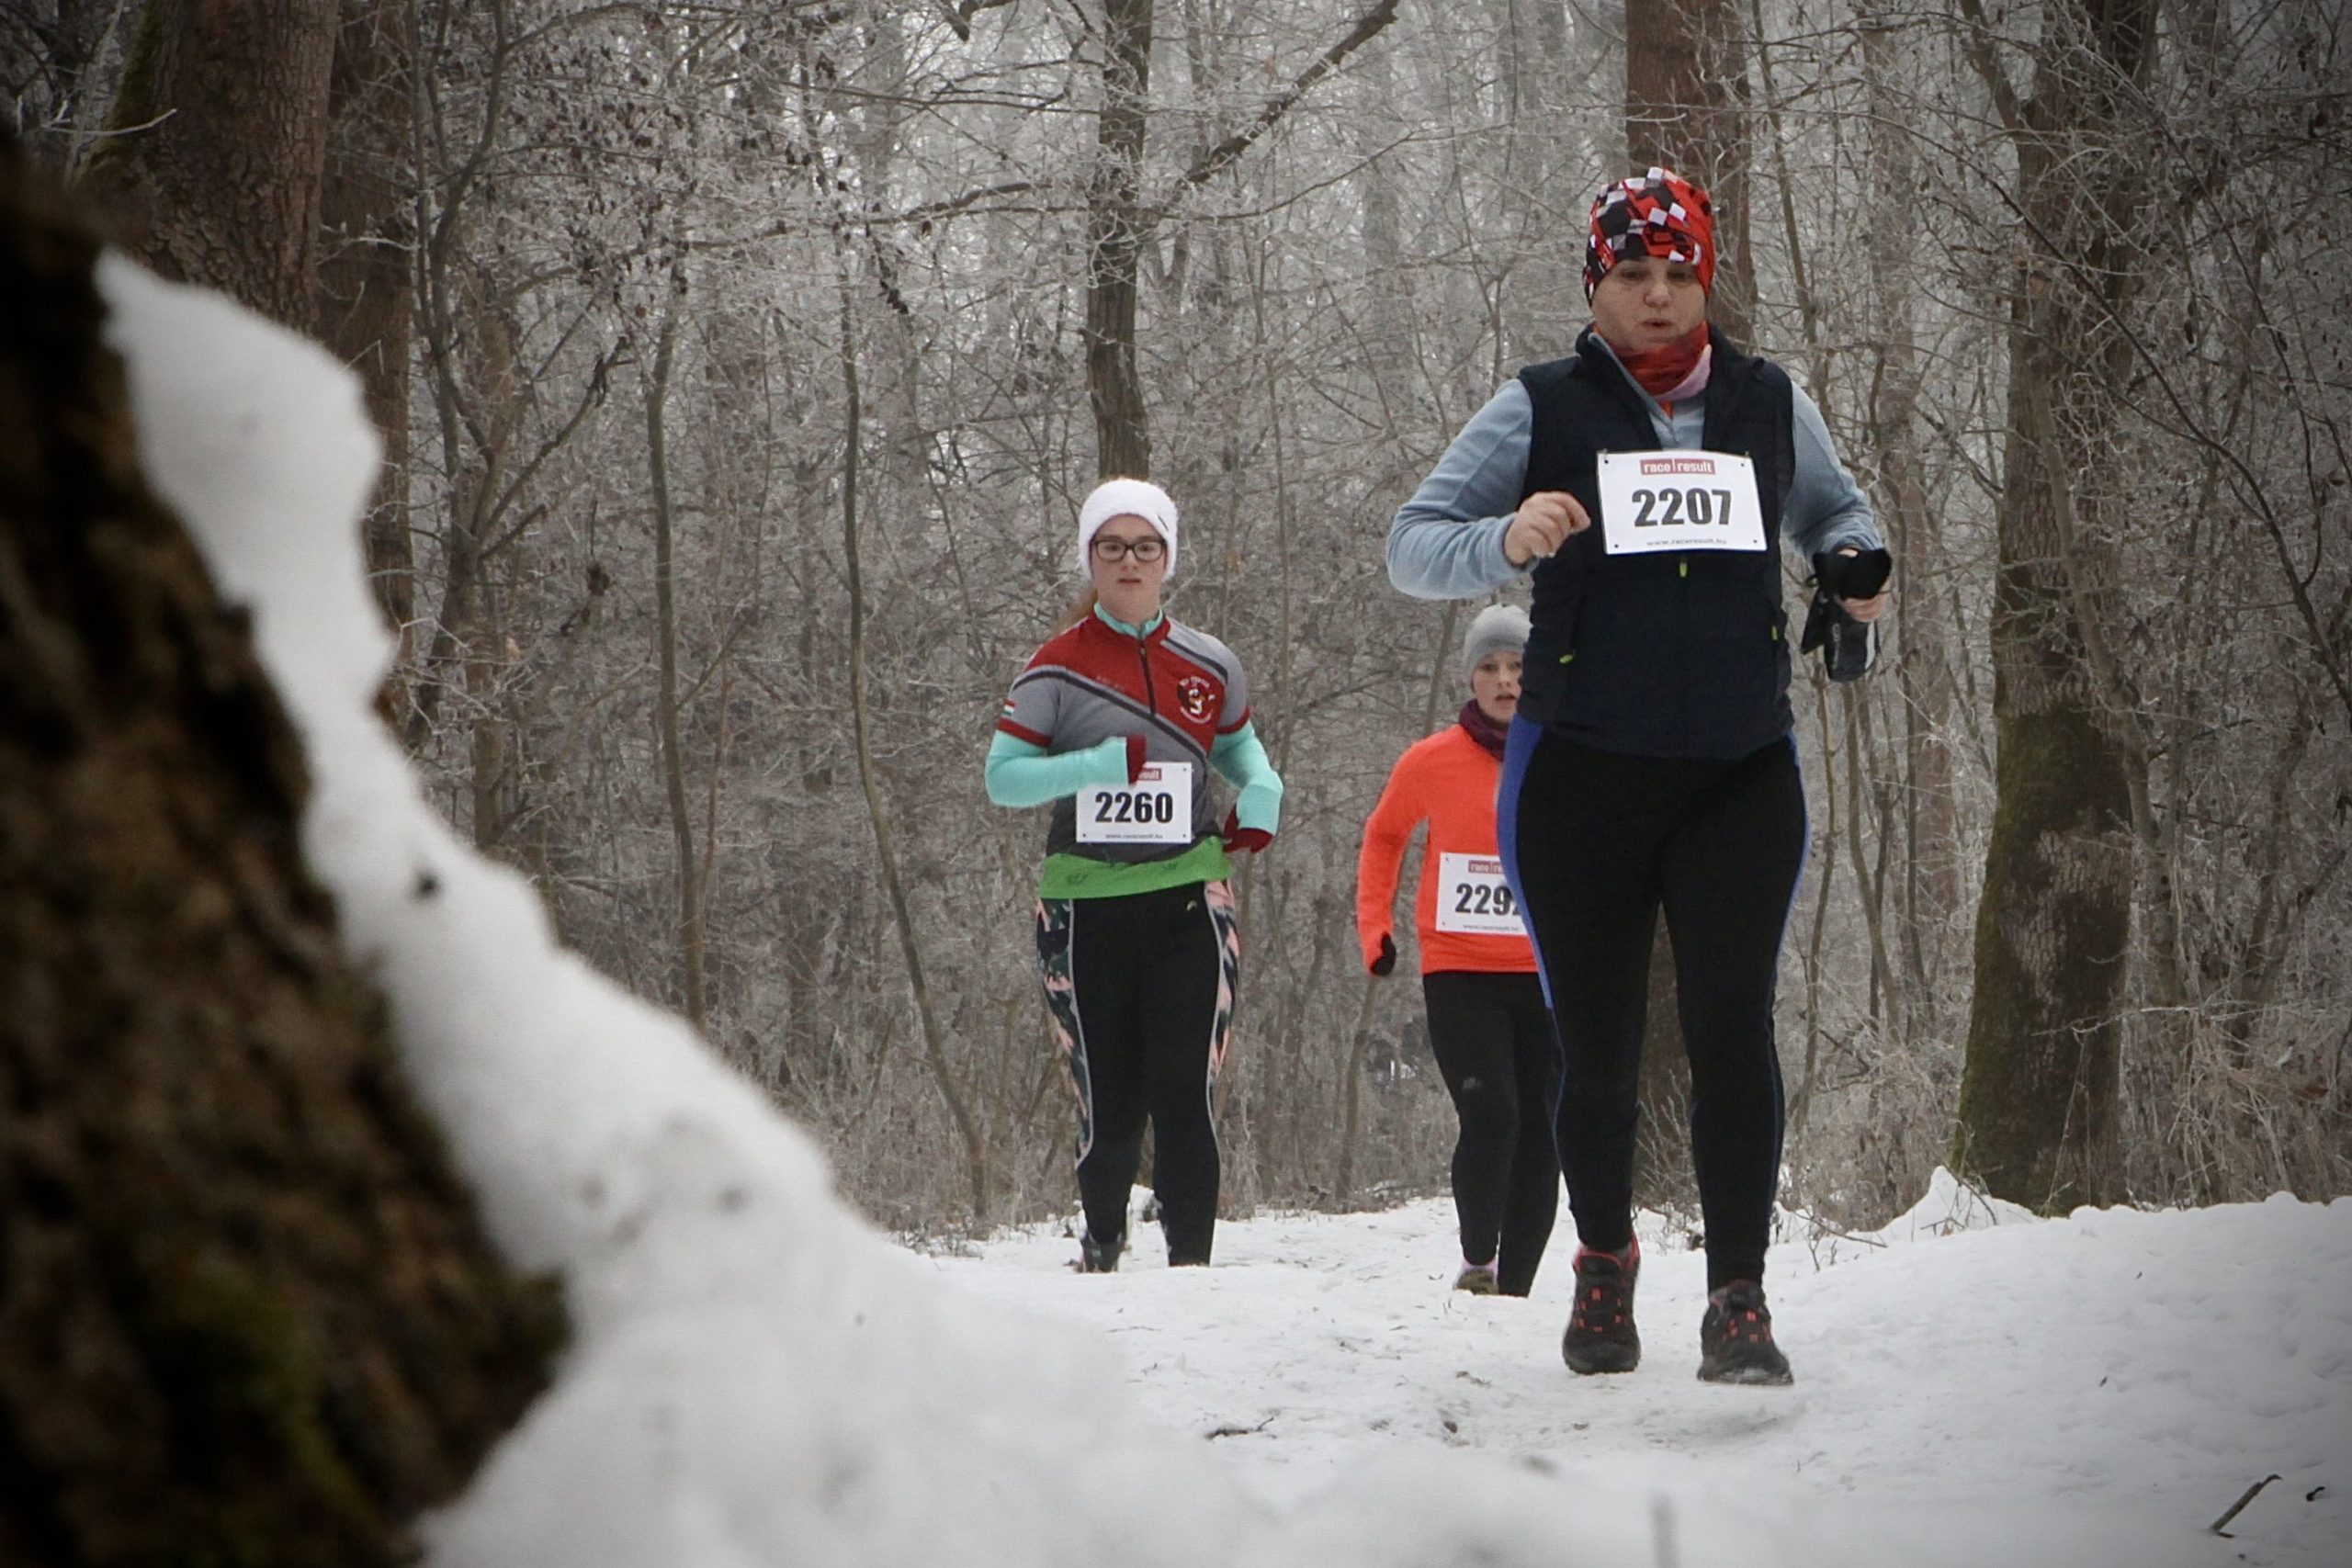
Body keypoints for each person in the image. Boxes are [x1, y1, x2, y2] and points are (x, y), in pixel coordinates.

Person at [1385, 168, 1890, 1384]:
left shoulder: (1769, 399)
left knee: (1731, 1025)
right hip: (1582, 770)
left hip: (1736, 766)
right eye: (1633, 276)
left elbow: (1841, 515)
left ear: (1704, 276)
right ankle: (1603, 1264)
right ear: (1595, 284)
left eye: (1679, 274)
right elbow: (1412, 546)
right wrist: (1502, 540)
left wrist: (1855, 564)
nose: (1660, 298)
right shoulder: (1542, 403)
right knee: (1598, 1046)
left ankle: (1740, 1298)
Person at [985, 478, 1283, 1271]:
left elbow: (1237, 748)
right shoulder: (1056, 665)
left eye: (1145, 546)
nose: (1129, 560)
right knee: (1111, 1101)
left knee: (1186, 1090)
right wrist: (1092, 766)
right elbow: (1003, 777)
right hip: (1084, 908)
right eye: (1111, 546)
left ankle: (1193, 1270)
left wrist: (1263, 789)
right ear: (1090, 558)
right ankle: (1105, 1241)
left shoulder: (1210, 661)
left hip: (1190, 895)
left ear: (1167, 559)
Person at [1357, 604, 1561, 1299]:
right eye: (1490, 668)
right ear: (1470, 679)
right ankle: (1479, 1257)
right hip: (1460, 971)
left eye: (1517, 667)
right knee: (1492, 1111)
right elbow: (1384, 835)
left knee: (1542, 1129)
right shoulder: (1432, 760)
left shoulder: (1566, 752)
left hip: (1547, 973)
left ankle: (1519, 1292)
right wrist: (1374, 928)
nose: (1505, 681)